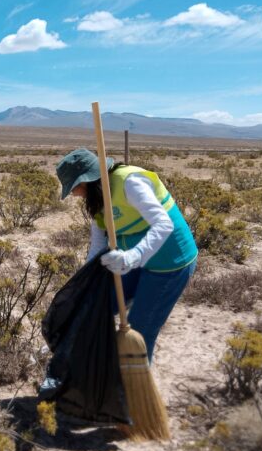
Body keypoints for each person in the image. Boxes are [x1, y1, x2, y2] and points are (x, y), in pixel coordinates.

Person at [56, 148, 198, 363]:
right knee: (96, 305)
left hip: (169, 263)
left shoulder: (129, 183)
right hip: (134, 260)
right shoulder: (96, 199)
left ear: (88, 180)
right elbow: (98, 243)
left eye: (75, 187)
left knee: (140, 328)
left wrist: (134, 256)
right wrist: (85, 281)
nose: (75, 194)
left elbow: (163, 224)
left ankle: (132, 390)